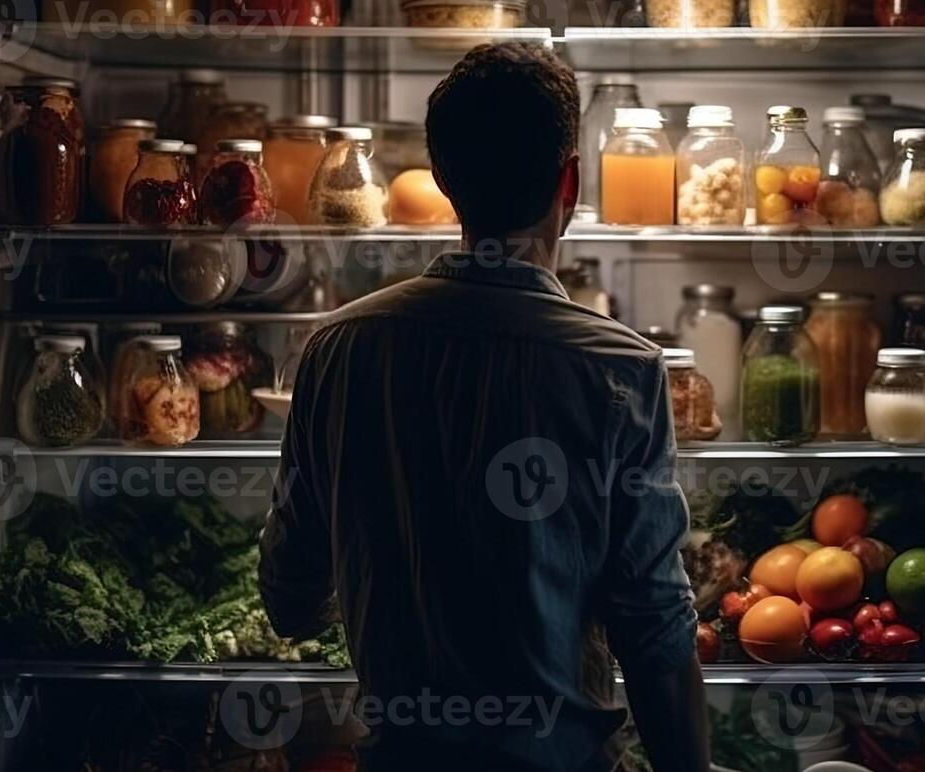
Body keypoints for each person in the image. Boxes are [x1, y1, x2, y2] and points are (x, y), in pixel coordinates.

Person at [259, 42, 708, 771]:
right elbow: (655, 632)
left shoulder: (339, 349)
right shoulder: (619, 368)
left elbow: (289, 597)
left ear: (441, 178)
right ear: (571, 181)